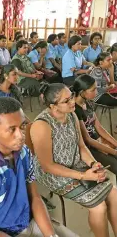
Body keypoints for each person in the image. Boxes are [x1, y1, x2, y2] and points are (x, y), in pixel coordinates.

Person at [0, 97, 79, 237]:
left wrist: (51, 235)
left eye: (22, 126)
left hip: (29, 221)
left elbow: (35, 198)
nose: (21, 135)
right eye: (12, 129)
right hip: (2, 233)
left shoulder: (24, 152)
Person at [30, 82, 117, 237]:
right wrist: (84, 175)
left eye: (71, 97)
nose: (72, 102)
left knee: (115, 195)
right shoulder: (41, 125)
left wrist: (93, 163)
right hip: (54, 174)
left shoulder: (72, 115)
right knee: (99, 207)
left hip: (76, 164)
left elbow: (82, 147)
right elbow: (47, 166)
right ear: (53, 106)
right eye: (66, 101)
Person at [73, 74, 117, 177]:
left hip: (97, 141)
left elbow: (99, 128)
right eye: (92, 90)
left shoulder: (88, 102)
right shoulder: (75, 110)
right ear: (82, 92)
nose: (96, 92)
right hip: (88, 148)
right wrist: (114, 152)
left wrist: (115, 143)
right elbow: (88, 140)